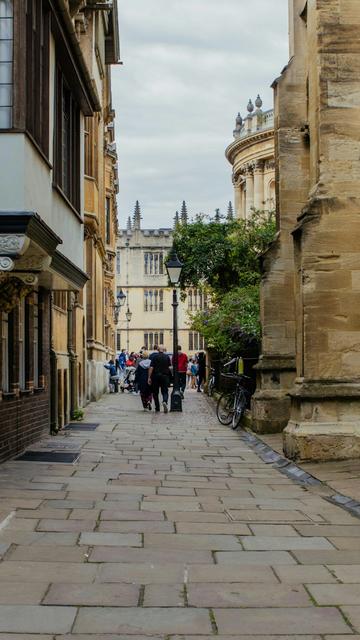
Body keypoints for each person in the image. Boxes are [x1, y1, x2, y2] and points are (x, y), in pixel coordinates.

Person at [148, 345, 171, 413]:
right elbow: (169, 366)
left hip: (155, 376)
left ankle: (157, 407)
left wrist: (149, 377)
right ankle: (165, 401)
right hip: (164, 376)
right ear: (163, 350)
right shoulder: (167, 357)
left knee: (155, 392)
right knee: (165, 391)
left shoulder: (154, 357)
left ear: (158, 350)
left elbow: (151, 367)